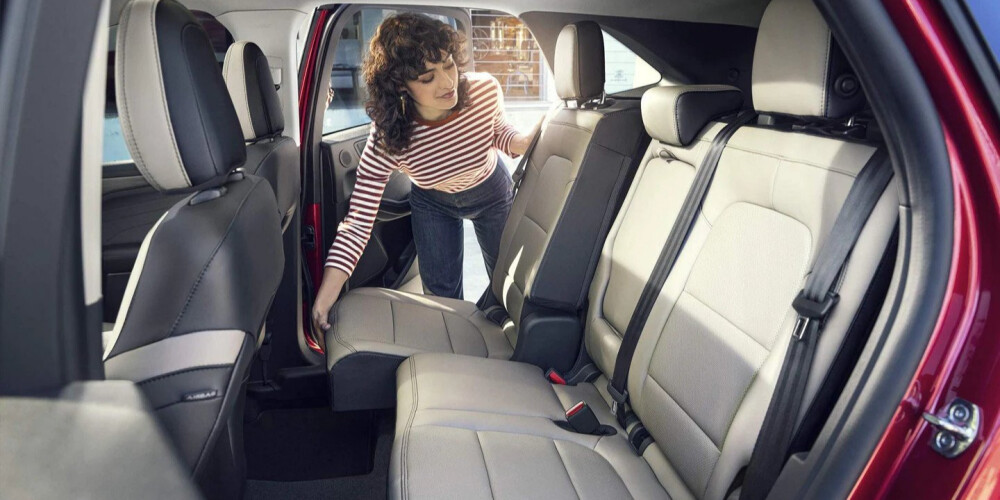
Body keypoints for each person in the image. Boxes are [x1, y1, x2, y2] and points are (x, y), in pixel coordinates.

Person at [311, 13, 537, 338]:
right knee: (442, 301)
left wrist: (522, 142)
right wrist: (326, 295)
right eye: (427, 77)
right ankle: (457, 356)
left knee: (506, 284)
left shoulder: (484, 90)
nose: (447, 83)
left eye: (448, 65)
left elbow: (497, 132)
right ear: (401, 86)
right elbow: (359, 220)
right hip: (432, 202)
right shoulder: (388, 136)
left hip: (490, 190)